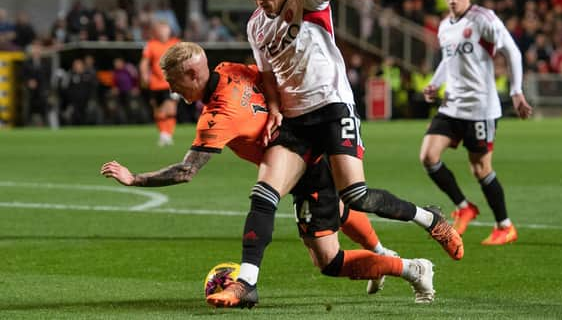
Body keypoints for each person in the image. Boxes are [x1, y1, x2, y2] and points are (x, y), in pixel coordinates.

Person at [208, 0, 463, 308]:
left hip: (332, 108)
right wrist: (276, 109)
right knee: (263, 193)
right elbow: (267, 76)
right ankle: (247, 282)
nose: (258, 2)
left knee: (355, 196)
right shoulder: (256, 27)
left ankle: (429, 218)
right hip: (295, 122)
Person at [100, 42, 435, 308]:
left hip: (302, 163)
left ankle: (411, 266)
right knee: (340, 210)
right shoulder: (230, 70)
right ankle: (388, 253)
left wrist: (136, 179)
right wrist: (274, 109)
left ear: (191, 73)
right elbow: (268, 76)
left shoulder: (217, 116)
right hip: (304, 148)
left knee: (325, 255)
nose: (173, 91)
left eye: (174, 83)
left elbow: (187, 170)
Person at [420, 0, 533, 245]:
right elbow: (449, 61)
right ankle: (464, 206)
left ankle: (504, 226)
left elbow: (512, 51)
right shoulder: (445, 25)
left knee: (480, 169)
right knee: (428, 156)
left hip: (480, 108)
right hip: (452, 106)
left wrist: (516, 91)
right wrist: (435, 84)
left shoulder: (484, 19)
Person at [139, 20, 180, 146]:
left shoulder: (176, 43)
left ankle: (168, 133)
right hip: (155, 83)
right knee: (158, 111)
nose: (163, 32)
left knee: (170, 108)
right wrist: (144, 74)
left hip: (172, 83)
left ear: (169, 30)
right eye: (160, 29)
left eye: (165, 29)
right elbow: (144, 62)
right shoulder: (151, 44)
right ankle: (163, 133)